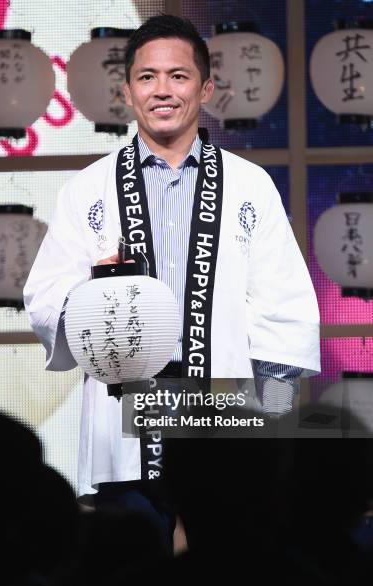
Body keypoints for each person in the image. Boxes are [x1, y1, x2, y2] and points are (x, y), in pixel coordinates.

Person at [24, 15, 320, 545]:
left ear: (205, 88)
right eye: (147, 77)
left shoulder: (249, 185)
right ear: (127, 90)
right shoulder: (88, 189)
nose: (162, 90)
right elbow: (44, 297)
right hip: (125, 415)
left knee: (226, 572)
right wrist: (95, 302)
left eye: (178, 76)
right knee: (133, 576)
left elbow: (285, 304)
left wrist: (272, 427)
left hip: (224, 421)